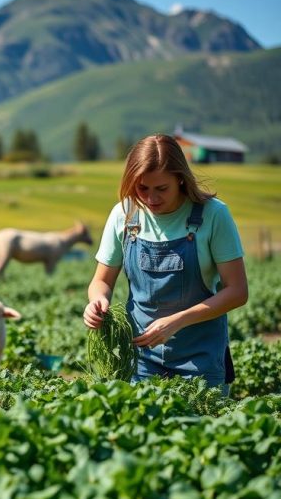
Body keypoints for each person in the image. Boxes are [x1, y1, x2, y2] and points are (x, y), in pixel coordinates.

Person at [83, 134, 247, 393]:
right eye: (142, 188)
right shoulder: (124, 214)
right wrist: (97, 301)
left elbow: (237, 292)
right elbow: (101, 281)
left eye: (161, 189)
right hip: (140, 359)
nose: (150, 199)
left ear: (180, 178)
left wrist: (178, 321)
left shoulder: (213, 215)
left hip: (201, 360)